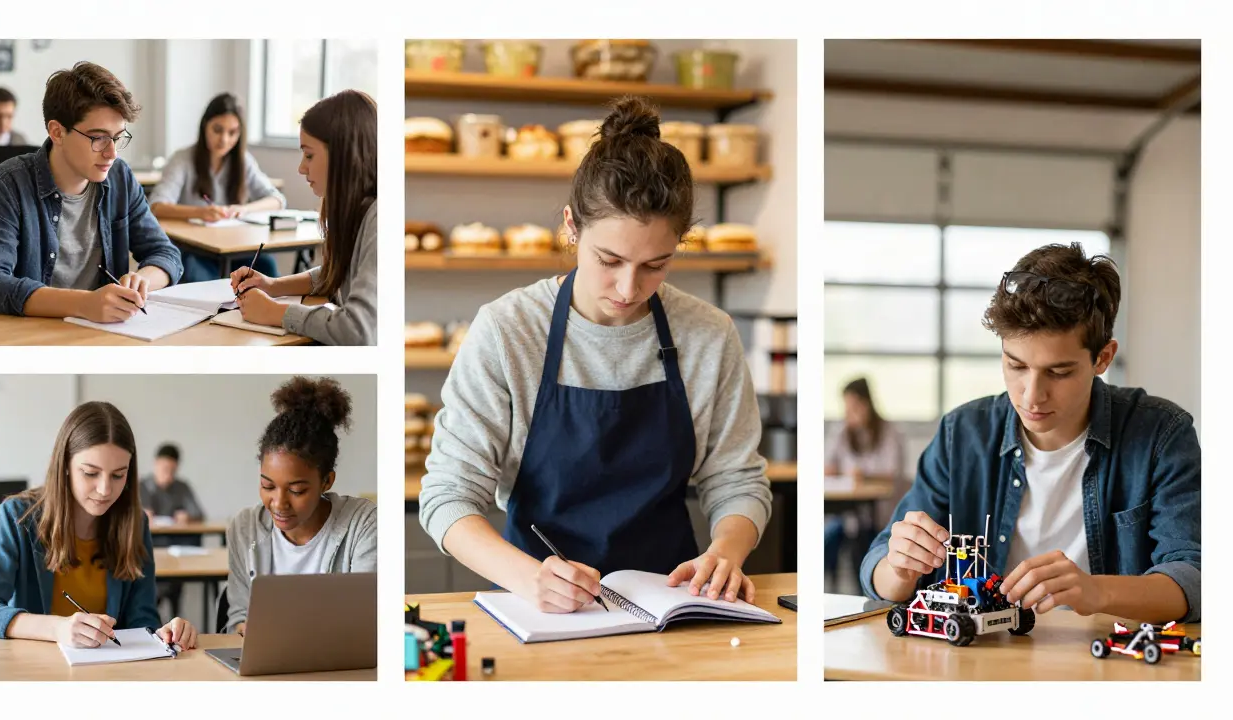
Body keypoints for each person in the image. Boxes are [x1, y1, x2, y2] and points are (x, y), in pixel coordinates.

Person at [419, 96, 773, 614]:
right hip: (537, 604)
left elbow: (737, 479)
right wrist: (529, 576)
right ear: (571, 226)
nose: (629, 288)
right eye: (609, 259)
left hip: (671, 604)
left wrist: (725, 550)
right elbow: (447, 495)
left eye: (657, 264)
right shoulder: (508, 330)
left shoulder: (708, 335)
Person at [861, 243, 1200, 623]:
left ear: (1102, 358)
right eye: (1016, 365)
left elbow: (1193, 578)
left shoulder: (1162, 435)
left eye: (1059, 372)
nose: (1031, 395)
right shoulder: (962, 434)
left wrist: (1096, 591)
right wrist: (900, 569)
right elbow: (877, 569)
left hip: (1108, 666)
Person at [0, 401, 198, 650]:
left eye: (118, 475)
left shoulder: (135, 525)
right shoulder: (18, 517)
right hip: (37, 670)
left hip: (109, 673)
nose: (105, 489)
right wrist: (58, 629)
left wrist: (166, 634)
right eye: (90, 473)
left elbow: (143, 619)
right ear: (63, 465)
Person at [0, 61, 183, 320]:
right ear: (57, 132)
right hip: (32, 336)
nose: (111, 153)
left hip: (104, 332)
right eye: (98, 137)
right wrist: (84, 304)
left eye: (118, 137)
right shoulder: (5, 186)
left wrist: (142, 280)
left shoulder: (120, 177)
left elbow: (166, 254)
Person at [223, 377, 377, 635]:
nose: (279, 503)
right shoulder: (245, 527)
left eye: (297, 490)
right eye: (267, 486)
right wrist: (244, 630)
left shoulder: (362, 524)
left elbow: (368, 619)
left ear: (326, 481)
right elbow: (237, 617)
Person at [229, 89, 376, 346]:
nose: (301, 167)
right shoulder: (360, 213)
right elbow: (338, 273)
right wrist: (273, 286)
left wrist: (276, 312)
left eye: (309, 155)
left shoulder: (378, 220)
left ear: (344, 155)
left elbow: (358, 329)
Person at [148, 93, 284, 282]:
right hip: (193, 249)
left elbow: (277, 200)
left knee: (266, 266)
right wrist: (199, 212)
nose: (224, 140)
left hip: (233, 247)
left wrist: (243, 209)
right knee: (201, 277)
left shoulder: (243, 161)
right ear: (205, 126)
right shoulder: (182, 159)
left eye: (232, 132)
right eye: (217, 130)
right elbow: (156, 206)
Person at [823, 377, 904, 585]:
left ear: (866, 404)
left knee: (862, 538)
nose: (850, 411)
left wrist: (864, 475)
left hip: (879, 512)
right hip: (845, 512)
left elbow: (893, 472)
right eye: (847, 406)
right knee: (828, 538)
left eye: (855, 406)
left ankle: (866, 586)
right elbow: (827, 466)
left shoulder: (888, 432)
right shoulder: (841, 431)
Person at [140, 443, 205, 619]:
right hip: (149, 550)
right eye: (164, 469)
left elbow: (199, 513)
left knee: (173, 582)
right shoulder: (141, 486)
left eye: (172, 470)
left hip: (176, 551)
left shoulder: (181, 487)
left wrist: (187, 517)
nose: (168, 475)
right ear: (155, 464)